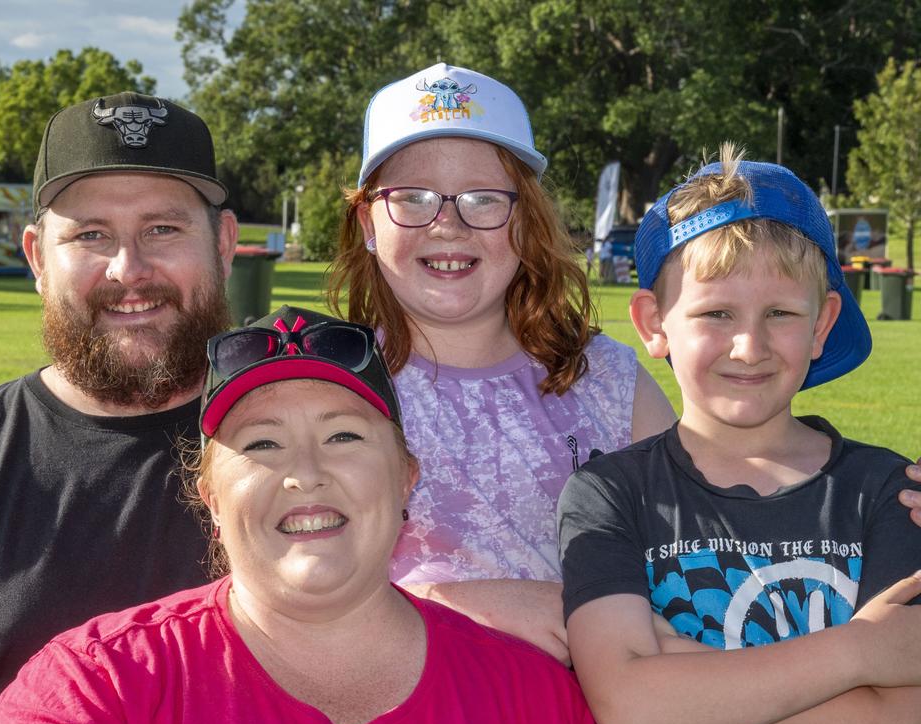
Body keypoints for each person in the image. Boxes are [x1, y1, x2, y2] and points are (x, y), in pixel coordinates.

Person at [328, 63, 921, 663]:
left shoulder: (604, 378)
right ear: (366, 221)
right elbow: (280, 587)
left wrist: (889, 504)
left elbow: (719, 520)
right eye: (411, 199)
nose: (448, 223)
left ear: (527, 220)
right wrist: (450, 599)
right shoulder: (326, 383)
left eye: (484, 199)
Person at [0, 305, 630, 724]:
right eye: (263, 444)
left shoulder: (533, 699)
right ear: (212, 496)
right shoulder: (102, 685)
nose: (305, 473)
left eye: (342, 436)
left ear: (405, 481)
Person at [0, 91, 238, 724]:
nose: (128, 270)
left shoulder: (295, 443)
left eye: (163, 230)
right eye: (90, 235)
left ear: (225, 245)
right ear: (36, 257)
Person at [559, 147, 921, 724]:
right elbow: (631, 712)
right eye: (716, 314)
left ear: (822, 324)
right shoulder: (611, 493)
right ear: (653, 323)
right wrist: (858, 652)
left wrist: (677, 669)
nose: (748, 346)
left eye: (780, 313)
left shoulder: (888, 489)